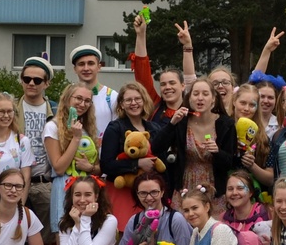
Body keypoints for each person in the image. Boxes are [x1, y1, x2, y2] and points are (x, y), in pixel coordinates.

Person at [162, 78, 238, 201]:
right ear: (189, 98)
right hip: (186, 185)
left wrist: (217, 152)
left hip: (214, 187)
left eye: (205, 94)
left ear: (213, 99)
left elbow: (230, 163)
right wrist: (172, 124)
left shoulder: (226, 124)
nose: (200, 98)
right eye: (196, 94)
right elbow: (157, 148)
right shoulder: (181, 122)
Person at [98, 81, 162, 226]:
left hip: (149, 194)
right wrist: (137, 164)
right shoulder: (115, 128)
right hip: (123, 192)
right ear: (121, 104)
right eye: (128, 100)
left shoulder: (154, 128)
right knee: (124, 233)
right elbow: (106, 165)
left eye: (137, 99)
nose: (134, 103)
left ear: (144, 100)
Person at [46, 84, 101, 234]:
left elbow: (98, 167)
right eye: (78, 98)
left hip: (87, 188)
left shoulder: (89, 128)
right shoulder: (53, 127)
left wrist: (89, 168)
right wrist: (76, 138)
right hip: (64, 187)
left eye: (87, 101)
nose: (82, 104)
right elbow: (59, 168)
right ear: (67, 99)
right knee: (65, 236)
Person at [17, 56, 57, 238]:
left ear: (47, 83)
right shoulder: (10, 108)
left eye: (37, 80)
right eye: (27, 79)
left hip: (44, 183)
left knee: (45, 238)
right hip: (15, 183)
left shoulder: (56, 111)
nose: (31, 83)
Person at [0, 92, 34, 208]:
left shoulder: (21, 141)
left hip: (15, 196)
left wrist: (20, 206)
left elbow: (26, 177)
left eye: (9, 111)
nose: (6, 115)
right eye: (1, 111)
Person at [233, 83, 274, 190]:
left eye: (252, 105)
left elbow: (270, 179)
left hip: (253, 193)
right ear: (234, 101)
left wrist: (252, 166)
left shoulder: (263, 138)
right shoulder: (223, 129)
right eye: (243, 103)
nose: (246, 108)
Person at [69, 45, 118, 132]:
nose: (86, 68)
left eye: (91, 63)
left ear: (99, 67)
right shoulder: (68, 96)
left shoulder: (112, 97)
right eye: (81, 64)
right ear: (75, 69)